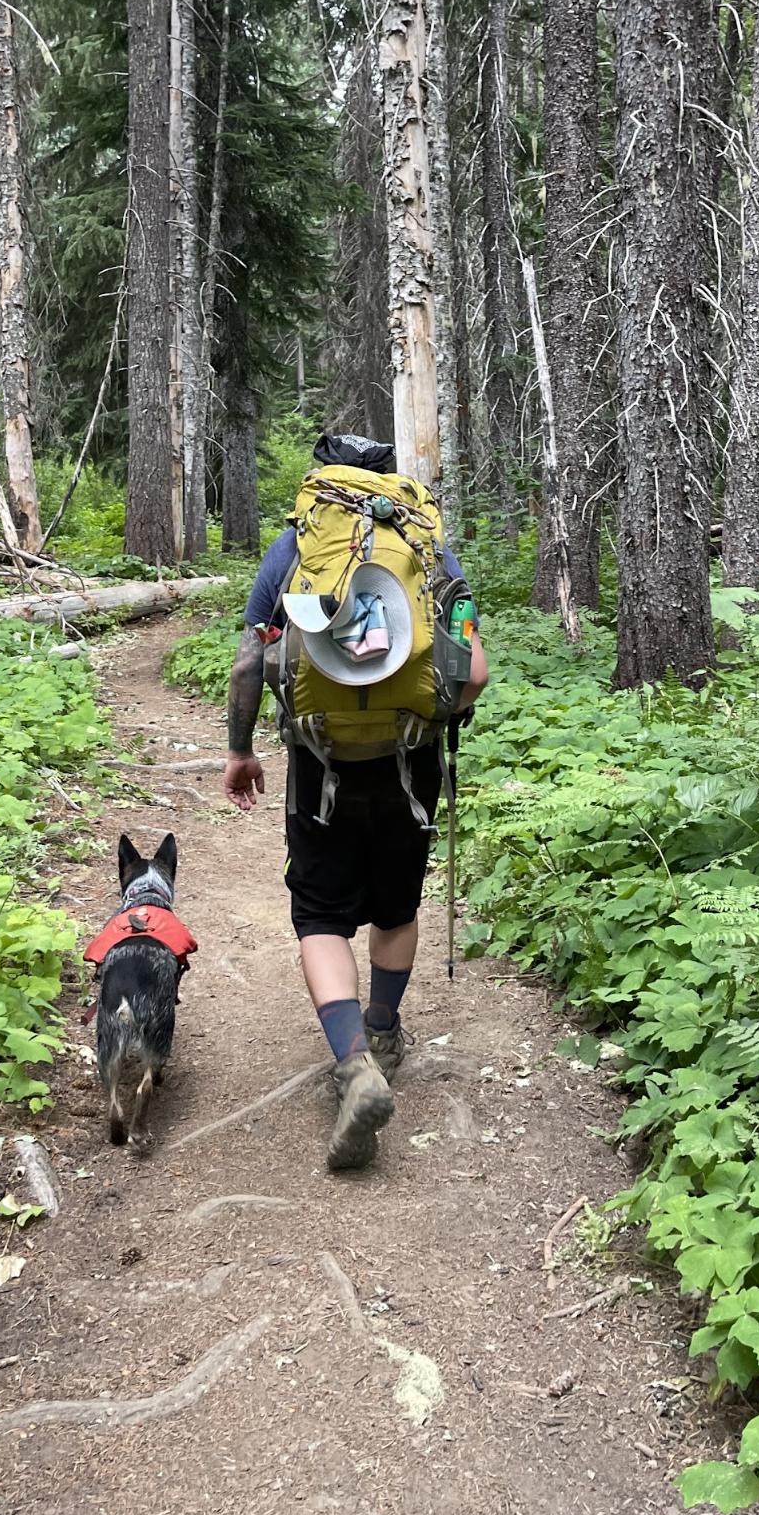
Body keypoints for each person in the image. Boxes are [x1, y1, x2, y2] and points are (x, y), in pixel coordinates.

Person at [223, 433, 489, 1170]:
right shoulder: (428, 547)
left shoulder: (295, 545)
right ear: (390, 482)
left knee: (319, 913)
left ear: (324, 478)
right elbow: (477, 670)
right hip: (409, 759)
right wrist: (435, 724)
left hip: (321, 762)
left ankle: (352, 1064)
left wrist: (242, 749)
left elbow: (251, 658)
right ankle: (383, 1029)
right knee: (396, 905)